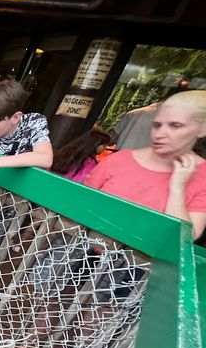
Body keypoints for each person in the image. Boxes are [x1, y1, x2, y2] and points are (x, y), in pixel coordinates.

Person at [85, 90, 206, 239]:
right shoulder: (120, 159)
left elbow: (183, 239)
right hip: (87, 248)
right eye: (157, 125)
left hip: (143, 255)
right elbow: (79, 204)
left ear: (202, 129)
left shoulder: (203, 176)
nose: (159, 134)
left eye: (176, 125)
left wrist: (177, 189)